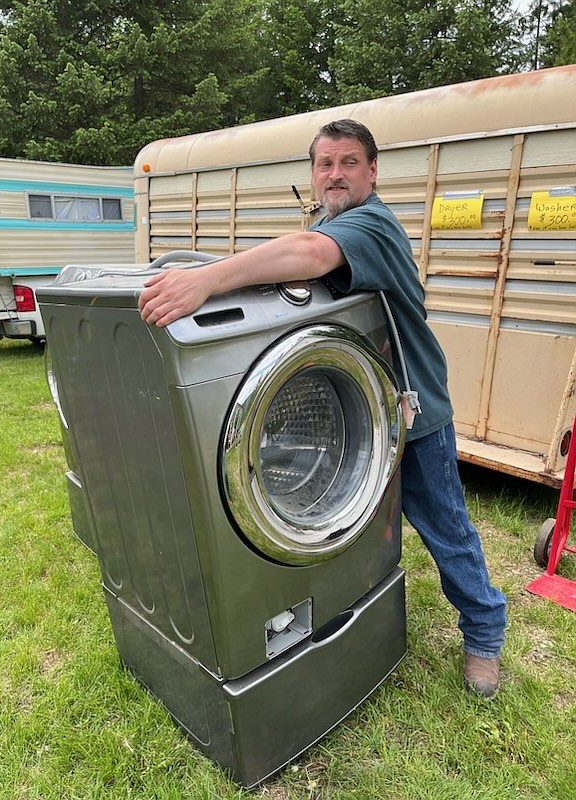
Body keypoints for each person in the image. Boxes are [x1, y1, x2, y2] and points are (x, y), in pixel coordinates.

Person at [138, 118, 507, 698]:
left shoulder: (372, 225)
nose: (335, 174)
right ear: (313, 173)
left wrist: (206, 280)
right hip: (364, 410)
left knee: (445, 528)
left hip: (413, 412)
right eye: (325, 164)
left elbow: (309, 254)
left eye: (349, 163)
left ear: (373, 171)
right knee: (351, 526)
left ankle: (485, 634)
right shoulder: (329, 222)